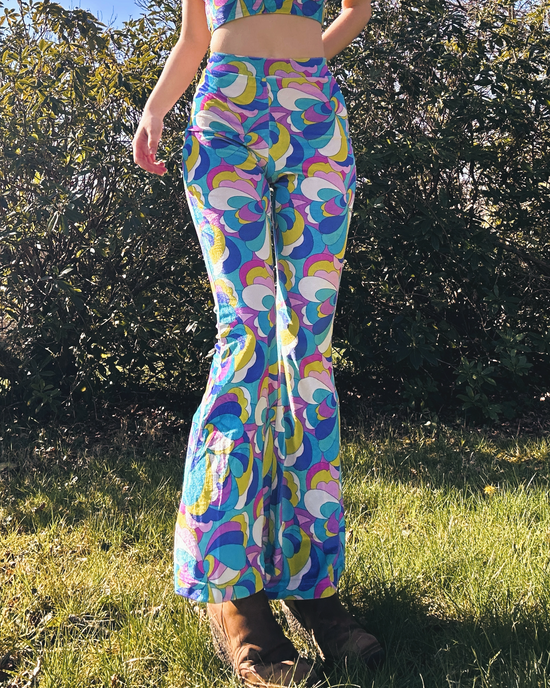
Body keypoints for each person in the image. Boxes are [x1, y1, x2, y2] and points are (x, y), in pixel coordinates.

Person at [133, 0, 383, 684]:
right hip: (225, 115)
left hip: (314, 118)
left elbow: (358, 8)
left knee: (307, 353)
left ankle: (310, 580)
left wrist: (303, 65)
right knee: (246, 341)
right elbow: (194, 35)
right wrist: (155, 107)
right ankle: (232, 590)